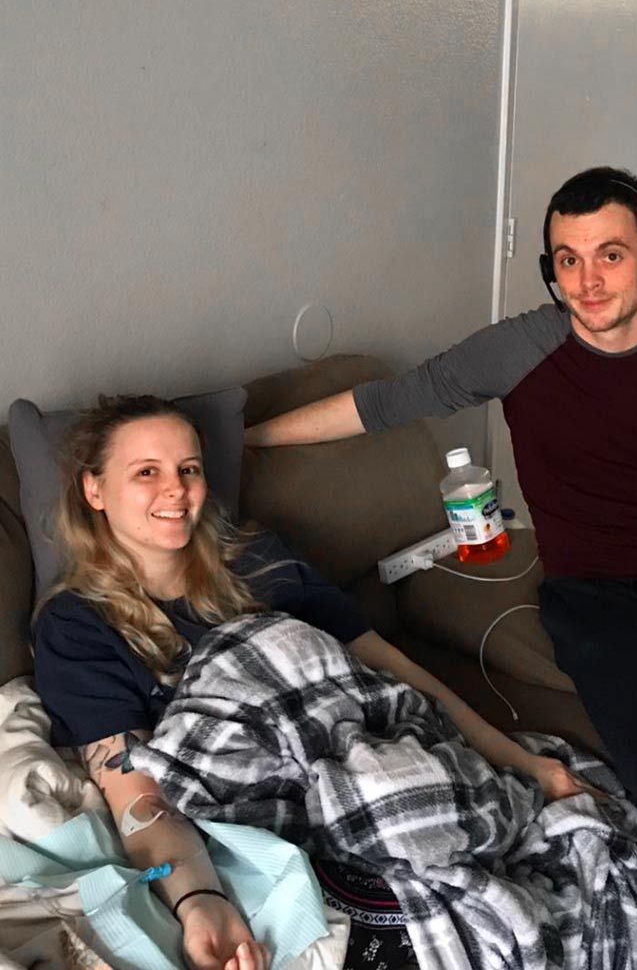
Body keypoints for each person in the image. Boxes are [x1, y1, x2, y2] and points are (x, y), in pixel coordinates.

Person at [243, 166, 637, 970]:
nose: (587, 280)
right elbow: (383, 403)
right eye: (566, 259)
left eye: (609, 255)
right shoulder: (518, 349)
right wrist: (244, 441)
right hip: (598, 603)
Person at [32, 395, 595, 970]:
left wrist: (522, 763)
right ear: (94, 490)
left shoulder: (257, 560)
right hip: (268, 816)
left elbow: (393, 672)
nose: (175, 490)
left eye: (189, 469)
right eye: (146, 472)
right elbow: (139, 798)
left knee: (566, 868)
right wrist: (201, 900)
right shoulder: (77, 629)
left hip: (377, 759)